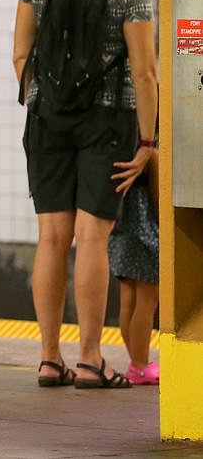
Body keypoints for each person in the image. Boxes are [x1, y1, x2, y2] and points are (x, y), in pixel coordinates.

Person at [12, 0, 157, 388]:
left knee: (52, 238)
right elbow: (145, 74)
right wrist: (148, 143)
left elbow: (19, 56)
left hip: (47, 121)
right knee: (92, 238)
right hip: (108, 122)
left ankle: (50, 358)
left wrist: (43, 102)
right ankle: (92, 358)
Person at [109, 146, 159, 385]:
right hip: (146, 230)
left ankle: (135, 362)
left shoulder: (121, 142)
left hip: (121, 227)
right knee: (147, 301)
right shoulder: (151, 151)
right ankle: (140, 364)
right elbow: (160, 196)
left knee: (128, 298)